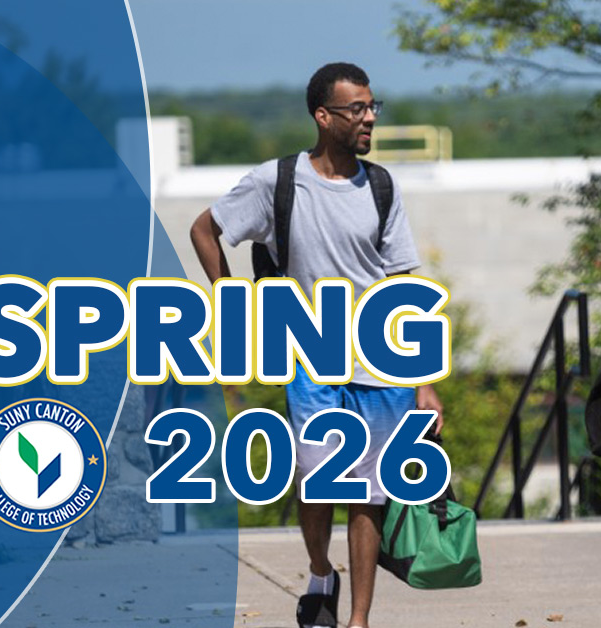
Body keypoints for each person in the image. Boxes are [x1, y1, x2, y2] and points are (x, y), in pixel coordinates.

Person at [189, 62, 443, 628]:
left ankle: (357, 620)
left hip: (382, 360)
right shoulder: (277, 181)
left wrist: (424, 380)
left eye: (374, 107)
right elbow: (205, 229)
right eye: (357, 109)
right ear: (323, 116)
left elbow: (401, 283)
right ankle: (319, 568)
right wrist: (232, 302)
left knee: (369, 495)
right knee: (316, 476)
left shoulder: (381, 186)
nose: (369, 118)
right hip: (311, 357)